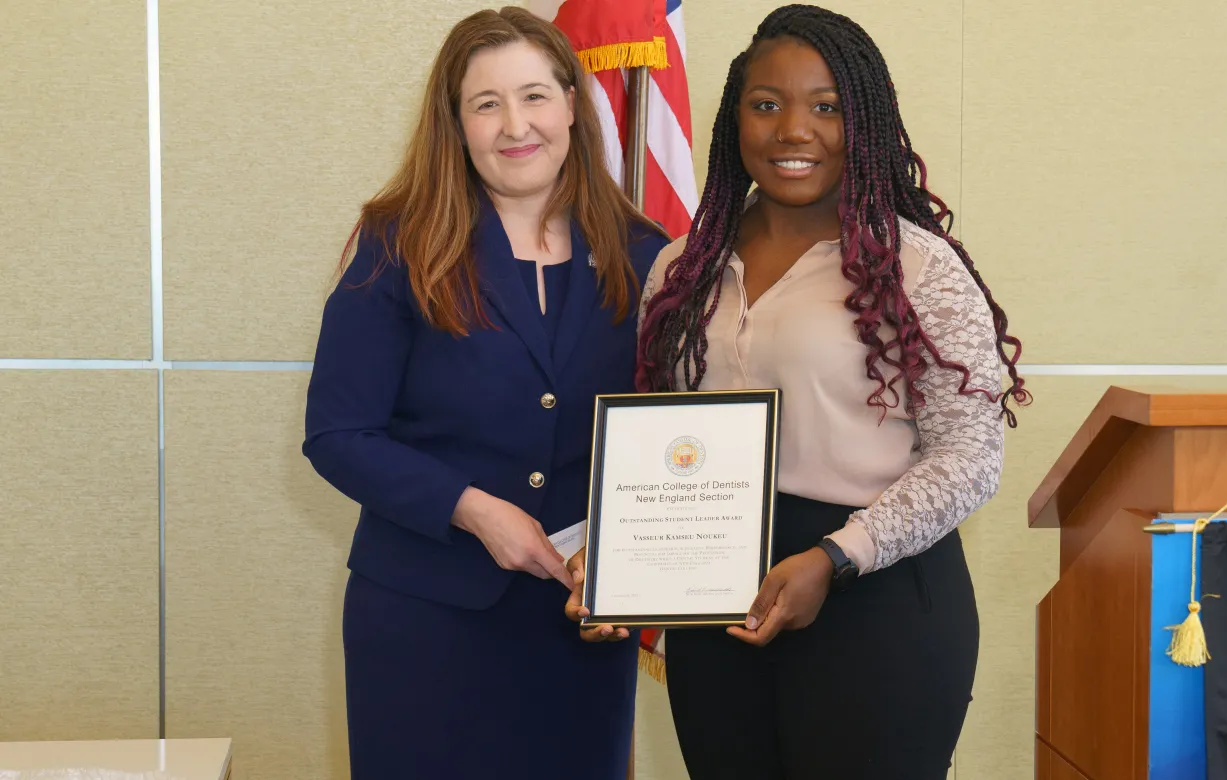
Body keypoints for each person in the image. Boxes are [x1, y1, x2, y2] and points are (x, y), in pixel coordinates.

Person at [566, 5, 1030, 778]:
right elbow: (661, 443)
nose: (793, 131)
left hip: (876, 598)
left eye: (826, 107)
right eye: (766, 104)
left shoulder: (920, 268)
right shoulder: (683, 267)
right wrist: (616, 559)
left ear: (867, 123)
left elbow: (972, 455)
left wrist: (837, 558)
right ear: (734, 120)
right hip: (716, 598)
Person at [301, 7, 663, 778]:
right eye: (486, 103)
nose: (515, 126)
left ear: (573, 103)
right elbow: (337, 435)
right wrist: (474, 509)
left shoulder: (645, 254)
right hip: (424, 622)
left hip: (582, 624)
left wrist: (632, 548)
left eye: (535, 96)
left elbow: (668, 432)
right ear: (456, 123)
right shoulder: (399, 242)